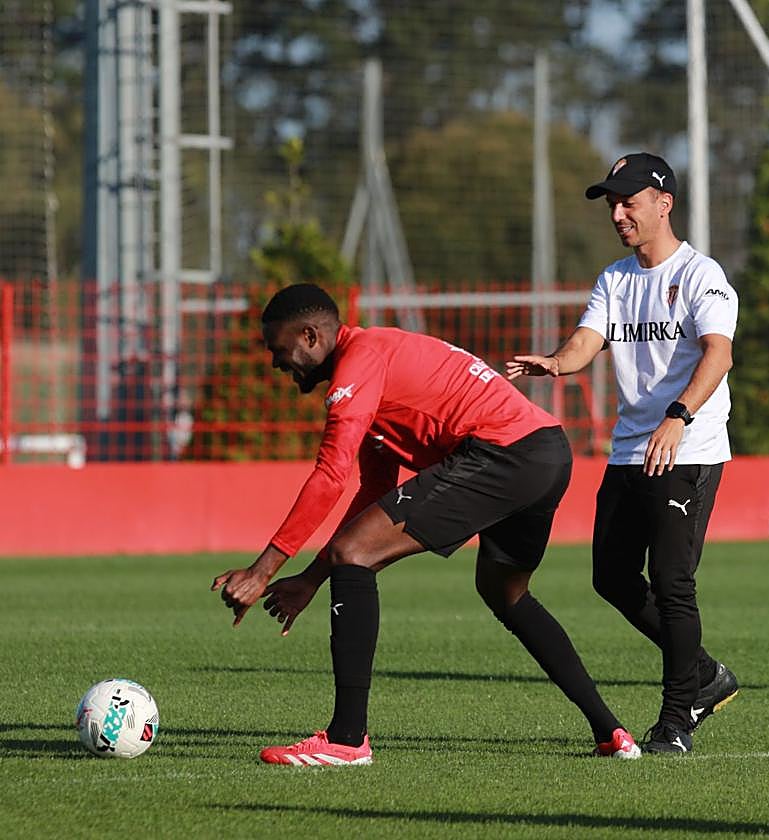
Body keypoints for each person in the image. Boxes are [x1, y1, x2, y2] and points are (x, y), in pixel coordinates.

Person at [211, 283, 642, 765]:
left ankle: (348, 740)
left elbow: (330, 475)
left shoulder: (360, 362)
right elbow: (374, 492)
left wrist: (262, 570)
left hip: (503, 453)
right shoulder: (375, 359)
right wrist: (311, 579)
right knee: (506, 593)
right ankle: (612, 732)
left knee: (355, 553)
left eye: (279, 348)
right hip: (543, 452)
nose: (276, 362)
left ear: (310, 336)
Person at [506, 153, 740, 753]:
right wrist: (558, 361)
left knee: (671, 583)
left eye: (628, 201)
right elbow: (591, 337)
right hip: (630, 450)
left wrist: (678, 417)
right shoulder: (615, 278)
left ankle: (676, 719)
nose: (617, 213)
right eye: (612, 202)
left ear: (664, 203)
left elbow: (719, 353)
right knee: (610, 577)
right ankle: (706, 675)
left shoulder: (700, 275)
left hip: (686, 449)